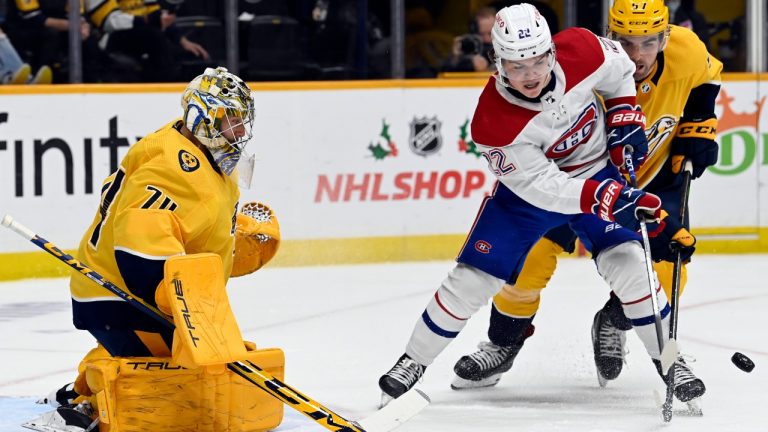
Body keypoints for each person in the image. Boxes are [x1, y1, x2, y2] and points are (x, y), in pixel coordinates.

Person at [378, 3, 673, 406]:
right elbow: (542, 186)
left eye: (537, 61)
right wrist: (602, 198)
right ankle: (413, 360)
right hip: (528, 198)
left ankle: (672, 362)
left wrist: (623, 112)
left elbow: (620, 67)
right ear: (496, 64)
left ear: (552, 52)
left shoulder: (583, 49)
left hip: (597, 171)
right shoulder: (491, 122)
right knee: (472, 279)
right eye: (517, 66)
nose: (530, 74)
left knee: (632, 265)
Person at [450, 0, 720, 406]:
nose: (638, 54)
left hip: (650, 183)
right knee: (529, 258)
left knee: (665, 270)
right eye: (627, 42)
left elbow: (707, 78)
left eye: (649, 42)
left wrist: (699, 127)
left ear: (666, 37)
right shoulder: (588, 69)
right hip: (577, 184)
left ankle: (619, 323)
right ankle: (503, 341)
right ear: (611, 38)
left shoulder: (688, 48)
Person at [25, 67, 285, 432]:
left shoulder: (202, 153)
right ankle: (90, 403)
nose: (240, 131)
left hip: (140, 293)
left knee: (215, 363)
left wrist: (234, 240)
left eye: (242, 121)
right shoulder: (169, 167)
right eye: (231, 120)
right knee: (189, 381)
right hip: (118, 296)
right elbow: (140, 257)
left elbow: (190, 229)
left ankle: (88, 380)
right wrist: (188, 311)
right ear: (205, 118)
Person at [84, 0, 210, 82]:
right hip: (110, 39)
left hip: (144, 33)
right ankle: (165, 87)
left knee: (189, 54)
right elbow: (109, 22)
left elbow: (155, 14)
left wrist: (183, 41)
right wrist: (146, 21)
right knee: (154, 38)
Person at [441, 6, 496, 73]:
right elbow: (444, 73)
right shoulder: (468, 48)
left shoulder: (507, 50)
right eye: (481, 34)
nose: (486, 39)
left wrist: (487, 69)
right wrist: (455, 58)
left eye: (490, 33)